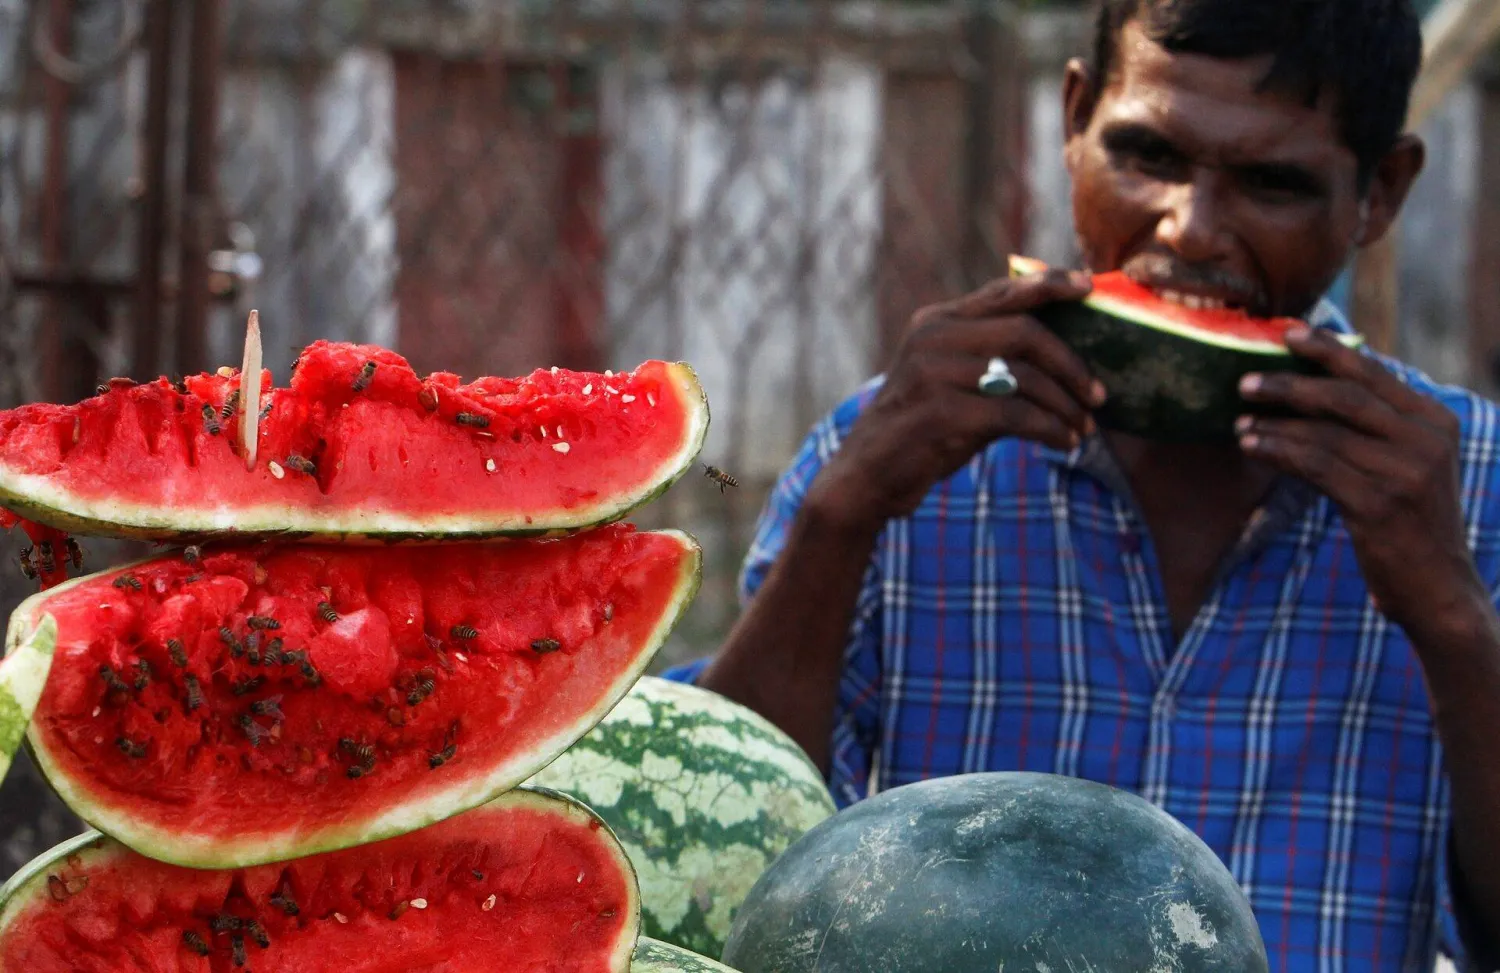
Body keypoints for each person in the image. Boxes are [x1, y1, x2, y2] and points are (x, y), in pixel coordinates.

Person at [664, 0, 1500, 969]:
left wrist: (1449, 612)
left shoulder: (1469, 485)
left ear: (1380, 192)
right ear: (1074, 119)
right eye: (1147, 157)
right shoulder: (896, 452)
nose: (1190, 230)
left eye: (1272, 183)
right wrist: (841, 515)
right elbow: (713, 856)